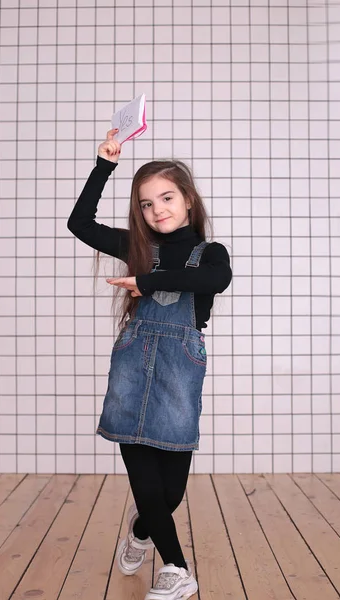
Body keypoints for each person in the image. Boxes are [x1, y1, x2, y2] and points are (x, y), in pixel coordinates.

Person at [67, 129, 232, 600]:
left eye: (167, 197)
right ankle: (176, 569)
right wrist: (104, 165)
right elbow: (79, 224)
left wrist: (147, 278)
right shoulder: (135, 244)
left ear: (187, 199)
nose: (157, 209)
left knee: (170, 491)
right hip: (132, 367)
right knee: (144, 479)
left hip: (179, 370)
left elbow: (215, 280)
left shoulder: (210, 253)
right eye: (145, 203)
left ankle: (141, 533)